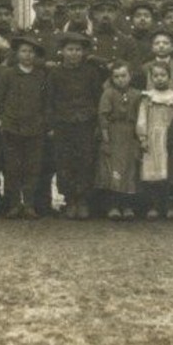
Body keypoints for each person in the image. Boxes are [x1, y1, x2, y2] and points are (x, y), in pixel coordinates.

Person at [47, 30, 103, 220]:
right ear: (62, 51)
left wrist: (96, 124)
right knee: (65, 161)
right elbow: (50, 100)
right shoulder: (55, 73)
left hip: (86, 123)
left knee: (85, 161)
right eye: (70, 49)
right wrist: (52, 125)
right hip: (63, 124)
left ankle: (83, 200)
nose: (74, 54)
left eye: (78, 50)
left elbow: (97, 99)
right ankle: (70, 199)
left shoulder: (91, 73)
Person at [0, 35, 49, 219]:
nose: (27, 55)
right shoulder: (8, 74)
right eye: (24, 51)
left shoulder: (41, 76)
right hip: (11, 127)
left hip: (34, 128)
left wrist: (44, 122)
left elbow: (46, 102)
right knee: (12, 167)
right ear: (17, 54)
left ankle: (30, 204)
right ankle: (14, 204)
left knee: (32, 167)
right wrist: (0, 120)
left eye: (31, 52)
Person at [137, 61, 173, 220]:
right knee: (153, 172)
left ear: (169, 76)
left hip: (170, 138)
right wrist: (143, 137)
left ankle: (171, 206)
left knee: (170, 171)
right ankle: (154, 206)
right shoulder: (147, 97)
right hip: (153, 137)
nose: (159, 79)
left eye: (163, 75)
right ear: (151, 77)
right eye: (155, 76)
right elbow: (142, 118)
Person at [97, 62, 141, 219]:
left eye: (124, 76)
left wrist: (139, 137)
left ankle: (128, 205)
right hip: (114, 134)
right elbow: (103, 117)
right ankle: (113, 205)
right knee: (113, 170)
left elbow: (140, 117)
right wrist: (106, 140)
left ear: (130, 76)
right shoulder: (108, 94)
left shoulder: (136, 94)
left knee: (130, 170)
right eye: (116, 76)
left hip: (130, 134)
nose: (120, 79)